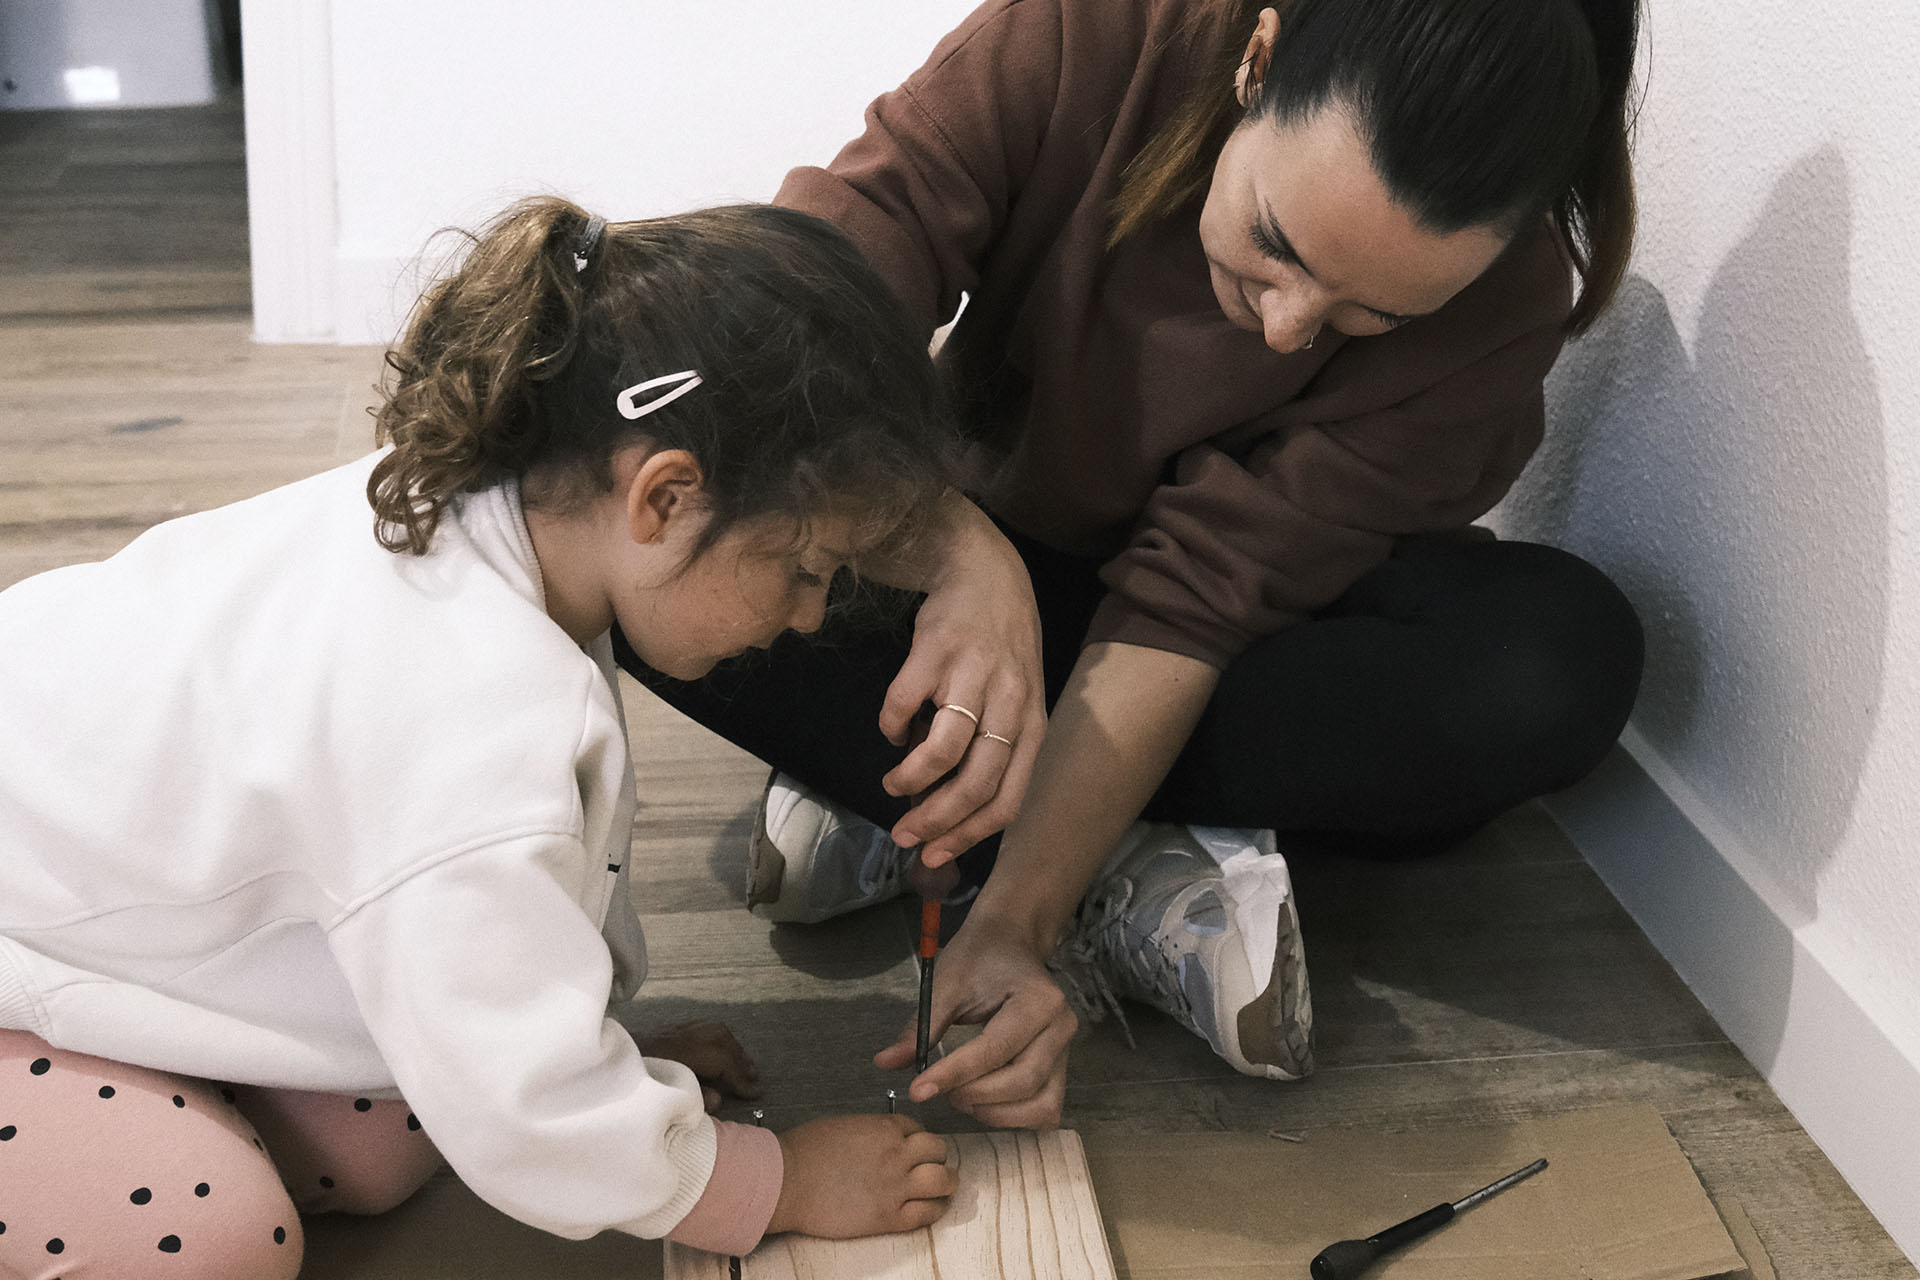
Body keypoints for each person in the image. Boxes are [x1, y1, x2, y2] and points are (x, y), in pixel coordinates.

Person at [626, 0, 1647, 1128]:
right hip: (956, 566)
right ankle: (1099, 842)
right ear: (1257, 63)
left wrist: (1018, 921)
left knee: (1557, 660)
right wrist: (957, 550)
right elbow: (808, 302)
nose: (1288, 330)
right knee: (650, 538)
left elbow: (1198, 596)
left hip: (1219, 647)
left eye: (1372, 315)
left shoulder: (1504, 304)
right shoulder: (1100, 30)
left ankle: (946, 807)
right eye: (1277, 244)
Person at [0, 198, 961, 1278]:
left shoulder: (499, 530)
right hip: (23, 940)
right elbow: (524, 1106)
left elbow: (505, 921)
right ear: (664, 497)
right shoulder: (460, 717)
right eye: (807, 567)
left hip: (106, 896)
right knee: (213, 1240)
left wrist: (601, 1068)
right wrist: (762, 1179)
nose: (809, 614)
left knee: (395, 1132)